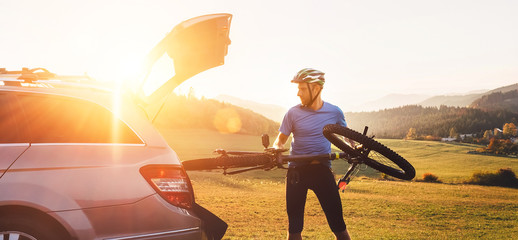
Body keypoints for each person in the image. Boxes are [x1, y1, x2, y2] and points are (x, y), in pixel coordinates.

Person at [273, 68, 352, 240]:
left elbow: (348, 138)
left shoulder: (334, 112)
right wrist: (276, 149)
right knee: (294, 228)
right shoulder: (292, 113)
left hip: (322, 171)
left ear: (315, 89)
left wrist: (356, 147)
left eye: (302, 89)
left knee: (338, 224)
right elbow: (280, 140)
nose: (298, 93)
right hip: (296, 172)